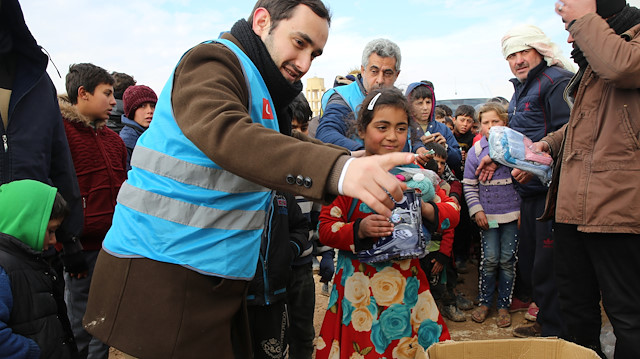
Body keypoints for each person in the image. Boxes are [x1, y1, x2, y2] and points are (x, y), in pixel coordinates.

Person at [82, 1, 416, 358]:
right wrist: (339, 170)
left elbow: (284, 141)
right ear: (262, 21)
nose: (305, 64)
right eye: (299, 43)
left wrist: (350, 158)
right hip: (164, 267)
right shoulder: (211, 62)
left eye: (314, 54)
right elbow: (230, 134)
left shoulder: (260, 85)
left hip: (212, 271)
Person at [315, 88, 457, 358]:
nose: (392, 136)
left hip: (407, 287)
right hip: (359, 290)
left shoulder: (416, 176)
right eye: (382, 127)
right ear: (362, 130)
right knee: (365, 347)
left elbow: (451, 211)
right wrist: (359, 230)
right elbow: (325, 229)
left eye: (401, 128)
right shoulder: (346, 178)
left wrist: (425, 208)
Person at [539, 0, 640, 356]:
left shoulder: (626, 46)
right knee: (575, 311)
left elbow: (622, 67)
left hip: (617, 211)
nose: (569, 38)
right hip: (572, 207)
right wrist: (547, 145)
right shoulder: (591, 61)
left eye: (572, 26)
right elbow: (587, 123)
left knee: (628, 316)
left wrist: (583, 17)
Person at [478, 24, 574, 338]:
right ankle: (549, 321)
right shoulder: (522, 87)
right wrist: (498, 156)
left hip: (553, 192)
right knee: (535, 263)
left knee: (551, 265)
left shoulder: (554, 81)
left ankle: (558, 330)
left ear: (540, 50)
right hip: (531, 192)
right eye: (511, 55)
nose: (518, 59)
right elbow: (524, 137)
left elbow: (569, 135)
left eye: (524, 51)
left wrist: (534, 166)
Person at [0, 0, 85, 283]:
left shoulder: (37, 81)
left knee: (43, 325)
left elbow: (59, 159)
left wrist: (70, 238)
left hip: (36, 248)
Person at [60, 63, 128, 359]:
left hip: (113, 246)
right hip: (80, 250)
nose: (114, 102)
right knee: (81, 323)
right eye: (107, 93)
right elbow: (58, 191)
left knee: (107, 321)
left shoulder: (114, 141)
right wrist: (68, 241)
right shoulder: (61, 134)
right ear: (83, 93)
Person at [316, 39, 431, 165]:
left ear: (397, 75)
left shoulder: (398, 102)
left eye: (387, 73)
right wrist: (366, 154)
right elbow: (326, 133)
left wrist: (418, 148)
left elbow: (410, 134)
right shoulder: (342, 98)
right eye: (374, 71)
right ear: (363, 70)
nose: (380, 80)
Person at [0, 179, 78, 359]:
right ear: (24, 221)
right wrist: (32, 351)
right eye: (50, 231)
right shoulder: (5, 268)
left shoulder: (29, 261)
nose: (53, 241)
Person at [463, 103, 521, 329]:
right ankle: (486, 303)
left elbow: (524, 184)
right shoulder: (476, 152)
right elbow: (469, 185)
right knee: (489, 261)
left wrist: (522, 213)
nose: (490, 126)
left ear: (504, 123)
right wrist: (477, 210)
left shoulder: (516, 149)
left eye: (495, 121)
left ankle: (504, 306)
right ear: (479, 127)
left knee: (508, 261)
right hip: (489, 217)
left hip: (512, 217)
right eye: (485, 122)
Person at [247, 191, 309, 359]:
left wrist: (287, 251)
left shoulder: (281, 194)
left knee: (273, 353)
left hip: (274, 296)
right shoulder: (234, 190)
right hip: (239, 297)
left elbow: (301, 227)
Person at [286, 92, 320, 359]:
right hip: (270, 266)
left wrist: (325, 252)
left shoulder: (313, 165)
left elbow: (318, 214)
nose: (297, 134)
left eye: (303, 127)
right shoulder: (266, 165)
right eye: (291, 127)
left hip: (302, 265)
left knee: (303, 333)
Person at [405, 81, 462, 171]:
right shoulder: (404, 129)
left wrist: (445, 148)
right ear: (410, 105)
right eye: (419, 103)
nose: (425, 107)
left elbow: (457, 160)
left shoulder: (442, 129)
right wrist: (418, 146)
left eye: (428, 102)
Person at [119, 85, 158, 169]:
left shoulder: (160, 134)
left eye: (153, 106)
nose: (150, 111)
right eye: (142, 106)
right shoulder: (126, 141)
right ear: (132, 111)